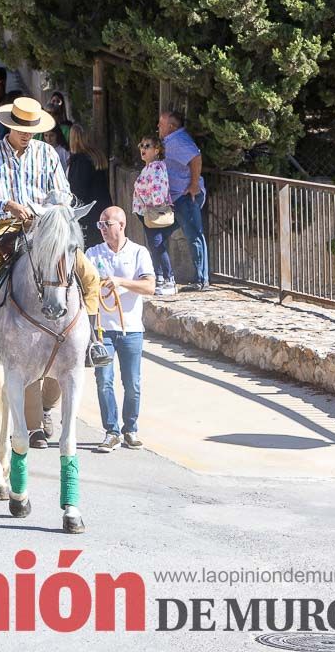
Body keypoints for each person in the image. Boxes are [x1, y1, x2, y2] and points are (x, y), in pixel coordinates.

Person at [0, 97, 112, 369]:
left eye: (31, 130)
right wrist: (7, 204)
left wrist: (53, 205)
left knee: (88, 274)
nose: (27, 136)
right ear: (10, 127)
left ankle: (93, 340)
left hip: (46, 228)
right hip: (8, 226)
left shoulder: (47, 153)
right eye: (22, 130)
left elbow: (64, 192)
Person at [86, 207, 155, 453]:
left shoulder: (138, 252)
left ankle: (131, 429)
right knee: (104, 380)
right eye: (100, 225)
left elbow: (149, 287)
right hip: (103, 329)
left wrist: (120, 281)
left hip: (132, 329)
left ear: (122, 225)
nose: (102, 229)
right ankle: (111, 431)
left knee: (132, 383)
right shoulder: (93, 253)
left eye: (107, 224)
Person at [158, 108, 208, 291]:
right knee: (160, 234)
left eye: (161, 124)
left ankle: (201, 280)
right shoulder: (171, 140)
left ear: (171, 126)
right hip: (177, 196)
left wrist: (194, 184)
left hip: (185, 195)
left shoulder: (177, 140)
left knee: (194, 235)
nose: (158, 127)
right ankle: (164, 275)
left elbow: (195, 157)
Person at [133, 134, 175, 296]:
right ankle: (159, 277)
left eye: (147, 146)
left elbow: (158, 190)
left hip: (152, 212)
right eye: (141, 145)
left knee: (158, 245)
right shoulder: (149, 167)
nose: (143, 149)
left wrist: (152, 204)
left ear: (156, 150)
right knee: (154, 244)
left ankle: (168, 278)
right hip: (145, 213)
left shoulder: (156, 167)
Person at [66, 124, 110, 249]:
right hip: (102, 208)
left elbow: (78, 190)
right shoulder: (96, 156)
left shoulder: (80, 161)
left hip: (88, 214)